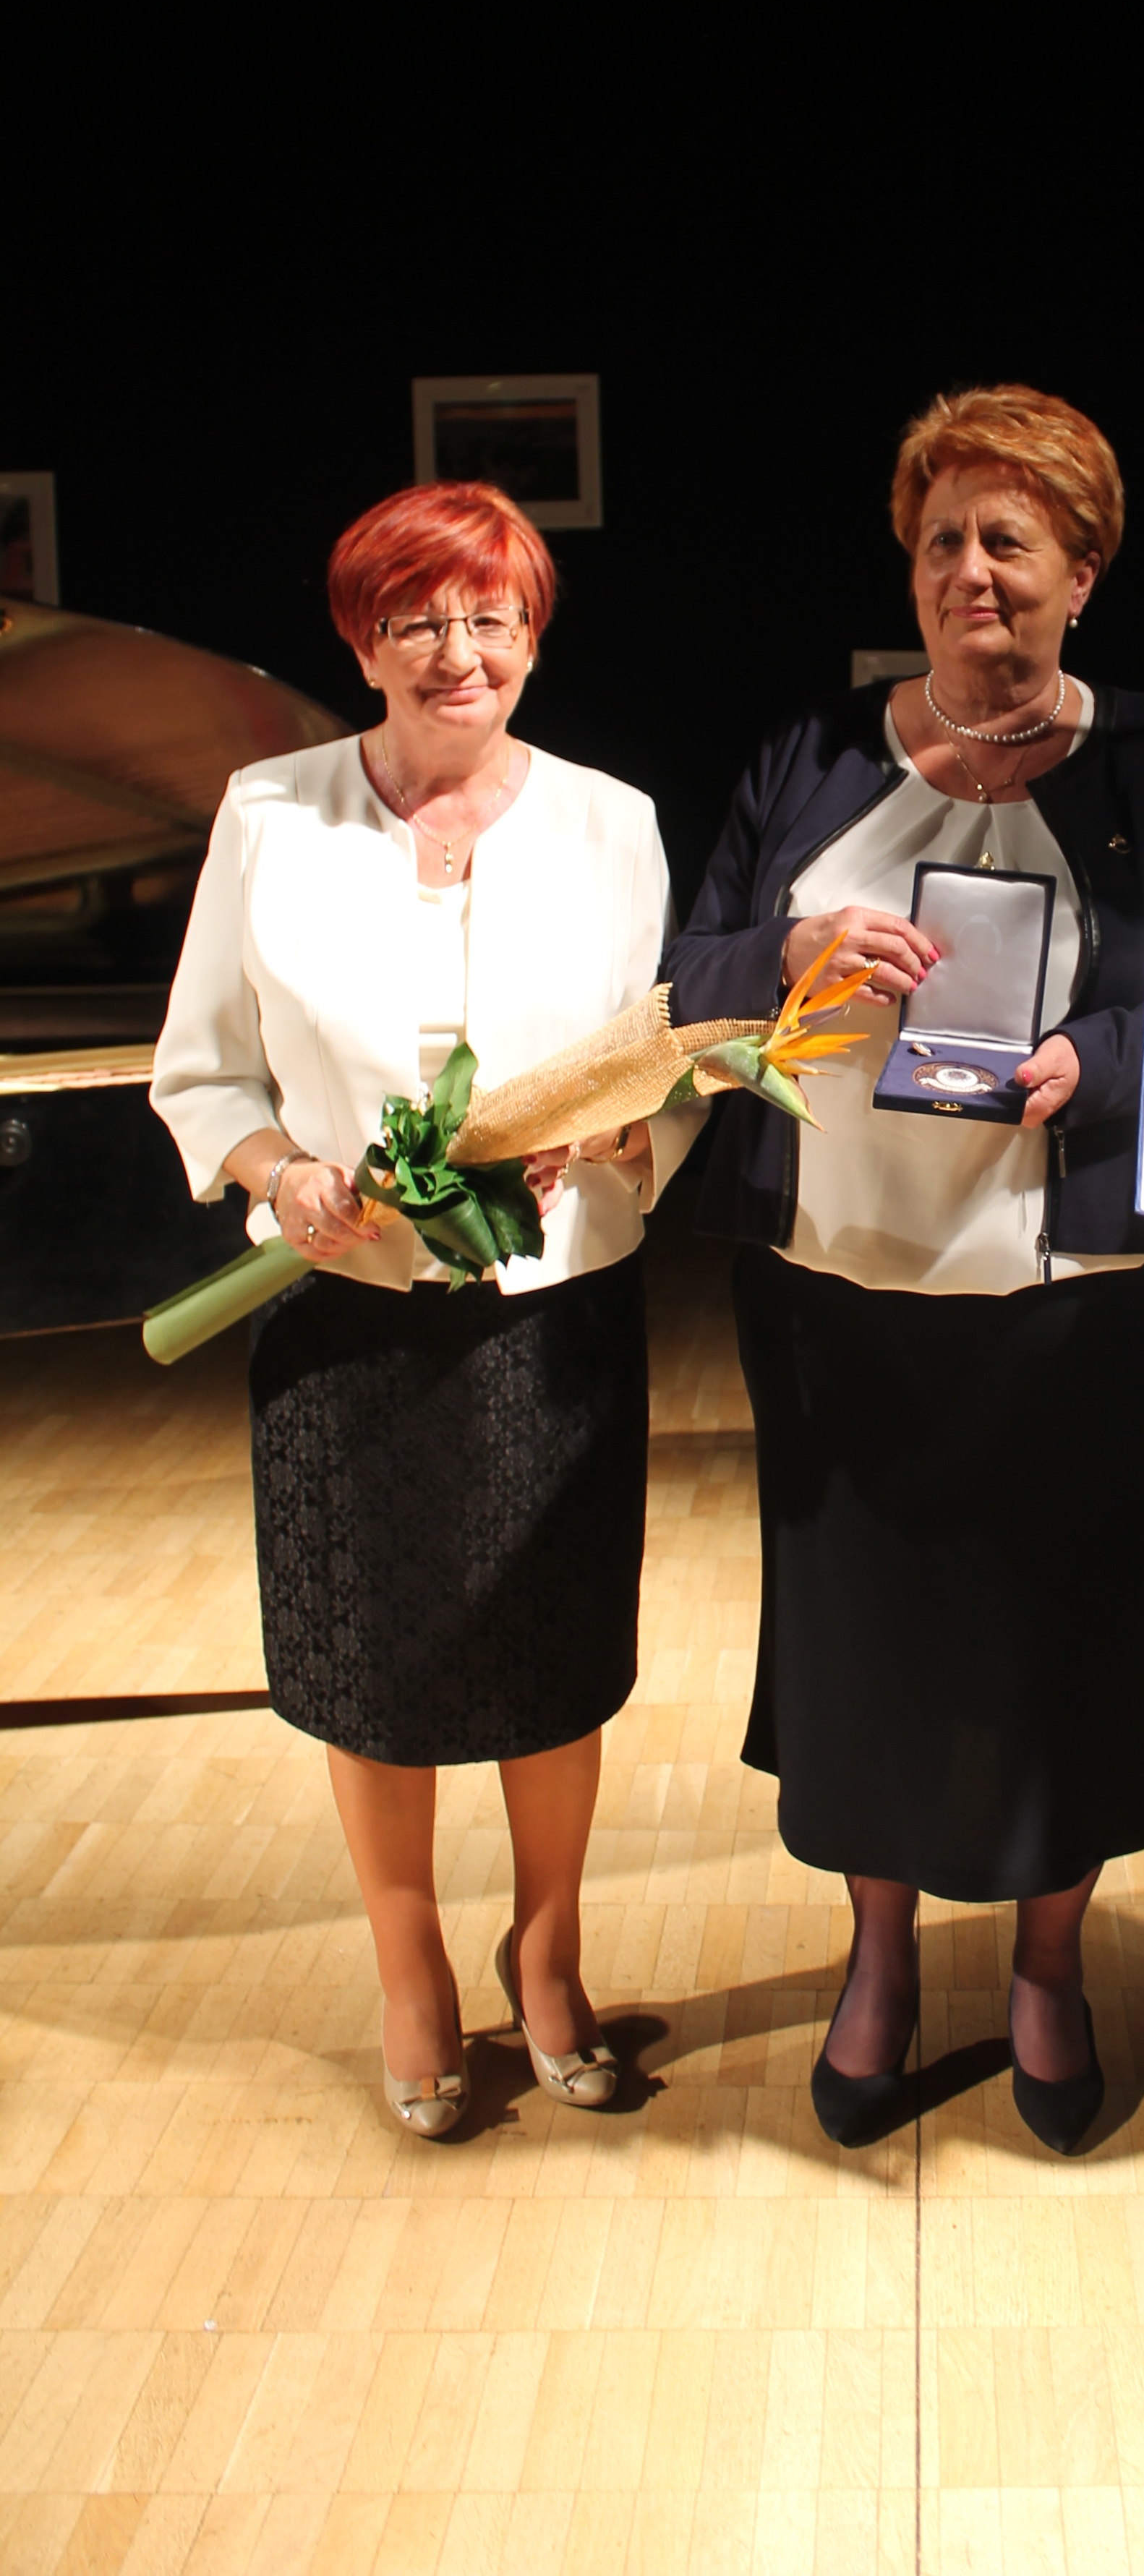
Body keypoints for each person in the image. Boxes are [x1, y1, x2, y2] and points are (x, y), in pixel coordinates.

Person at [667, 385, 1144, 2154]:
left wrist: (1104, 1061)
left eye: (1009, 539)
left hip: (1085, 1313)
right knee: (860, 1650)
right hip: (836, 1298)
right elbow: (684, 982)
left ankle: (1048, 1967)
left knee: (1065, 1644)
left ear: (1083, 570)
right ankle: (880, 1955)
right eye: (940, 540)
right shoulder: (811, 759)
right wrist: (788, 947)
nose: (969, 570)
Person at [151, 482, 696, 2140]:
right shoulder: (271, 812)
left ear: (533, 633)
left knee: (553, 1659)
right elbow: (203, 1069)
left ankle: (549, 1955)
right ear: (362, 640)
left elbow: (663, 1072)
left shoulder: (612, 821)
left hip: (550, 1315)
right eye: (418, 621)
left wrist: (620, 1134)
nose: (460, 652)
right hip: (344, 1317)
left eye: (492, 618)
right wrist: (281, 1173)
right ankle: (409, 1970)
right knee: (367, 1665)